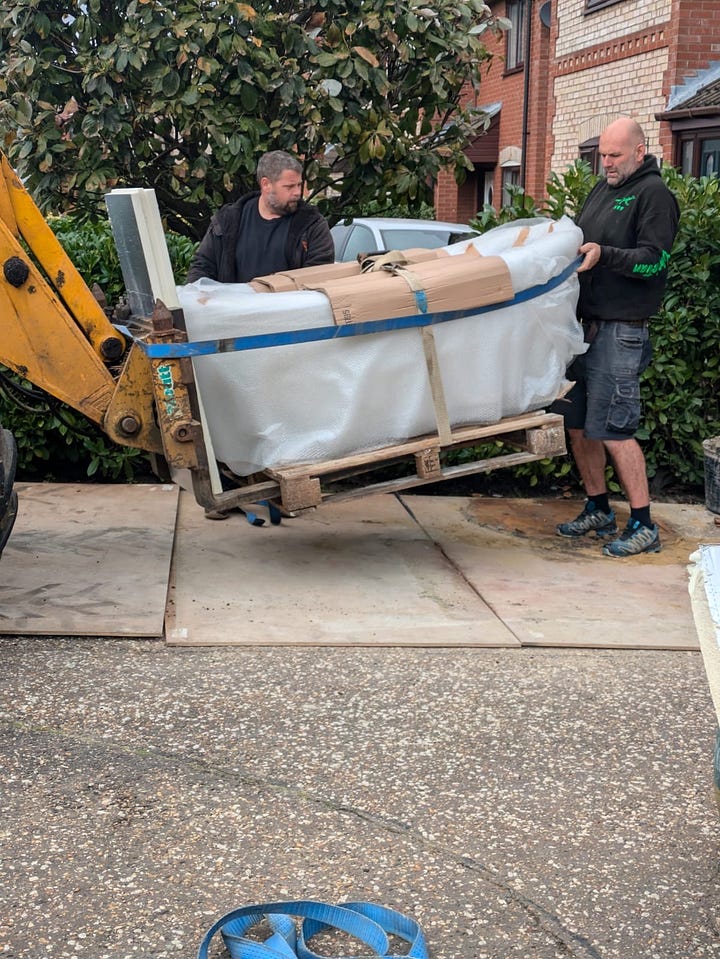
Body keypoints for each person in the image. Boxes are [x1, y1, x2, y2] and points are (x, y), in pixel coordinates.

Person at [553, 116, 680, 557]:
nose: (605, 163)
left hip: (620, 332)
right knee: (578, 427)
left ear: (639, 152)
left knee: (615, 429)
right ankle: (598, 508)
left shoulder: (654, 195)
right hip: (583, 328)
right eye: (602, 155)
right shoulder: (602, 190)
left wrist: (606, 255)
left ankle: (644, 524)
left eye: (614, 155)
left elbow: (654, 262)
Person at [186, 150, 334, 283]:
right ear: (266, 184)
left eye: (299, 185)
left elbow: (318, 278)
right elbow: (202, 267)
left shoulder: (312, 225)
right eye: (289, 186)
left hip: (290, 312)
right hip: (235, 312)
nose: (297, 192)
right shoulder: (228, 221)